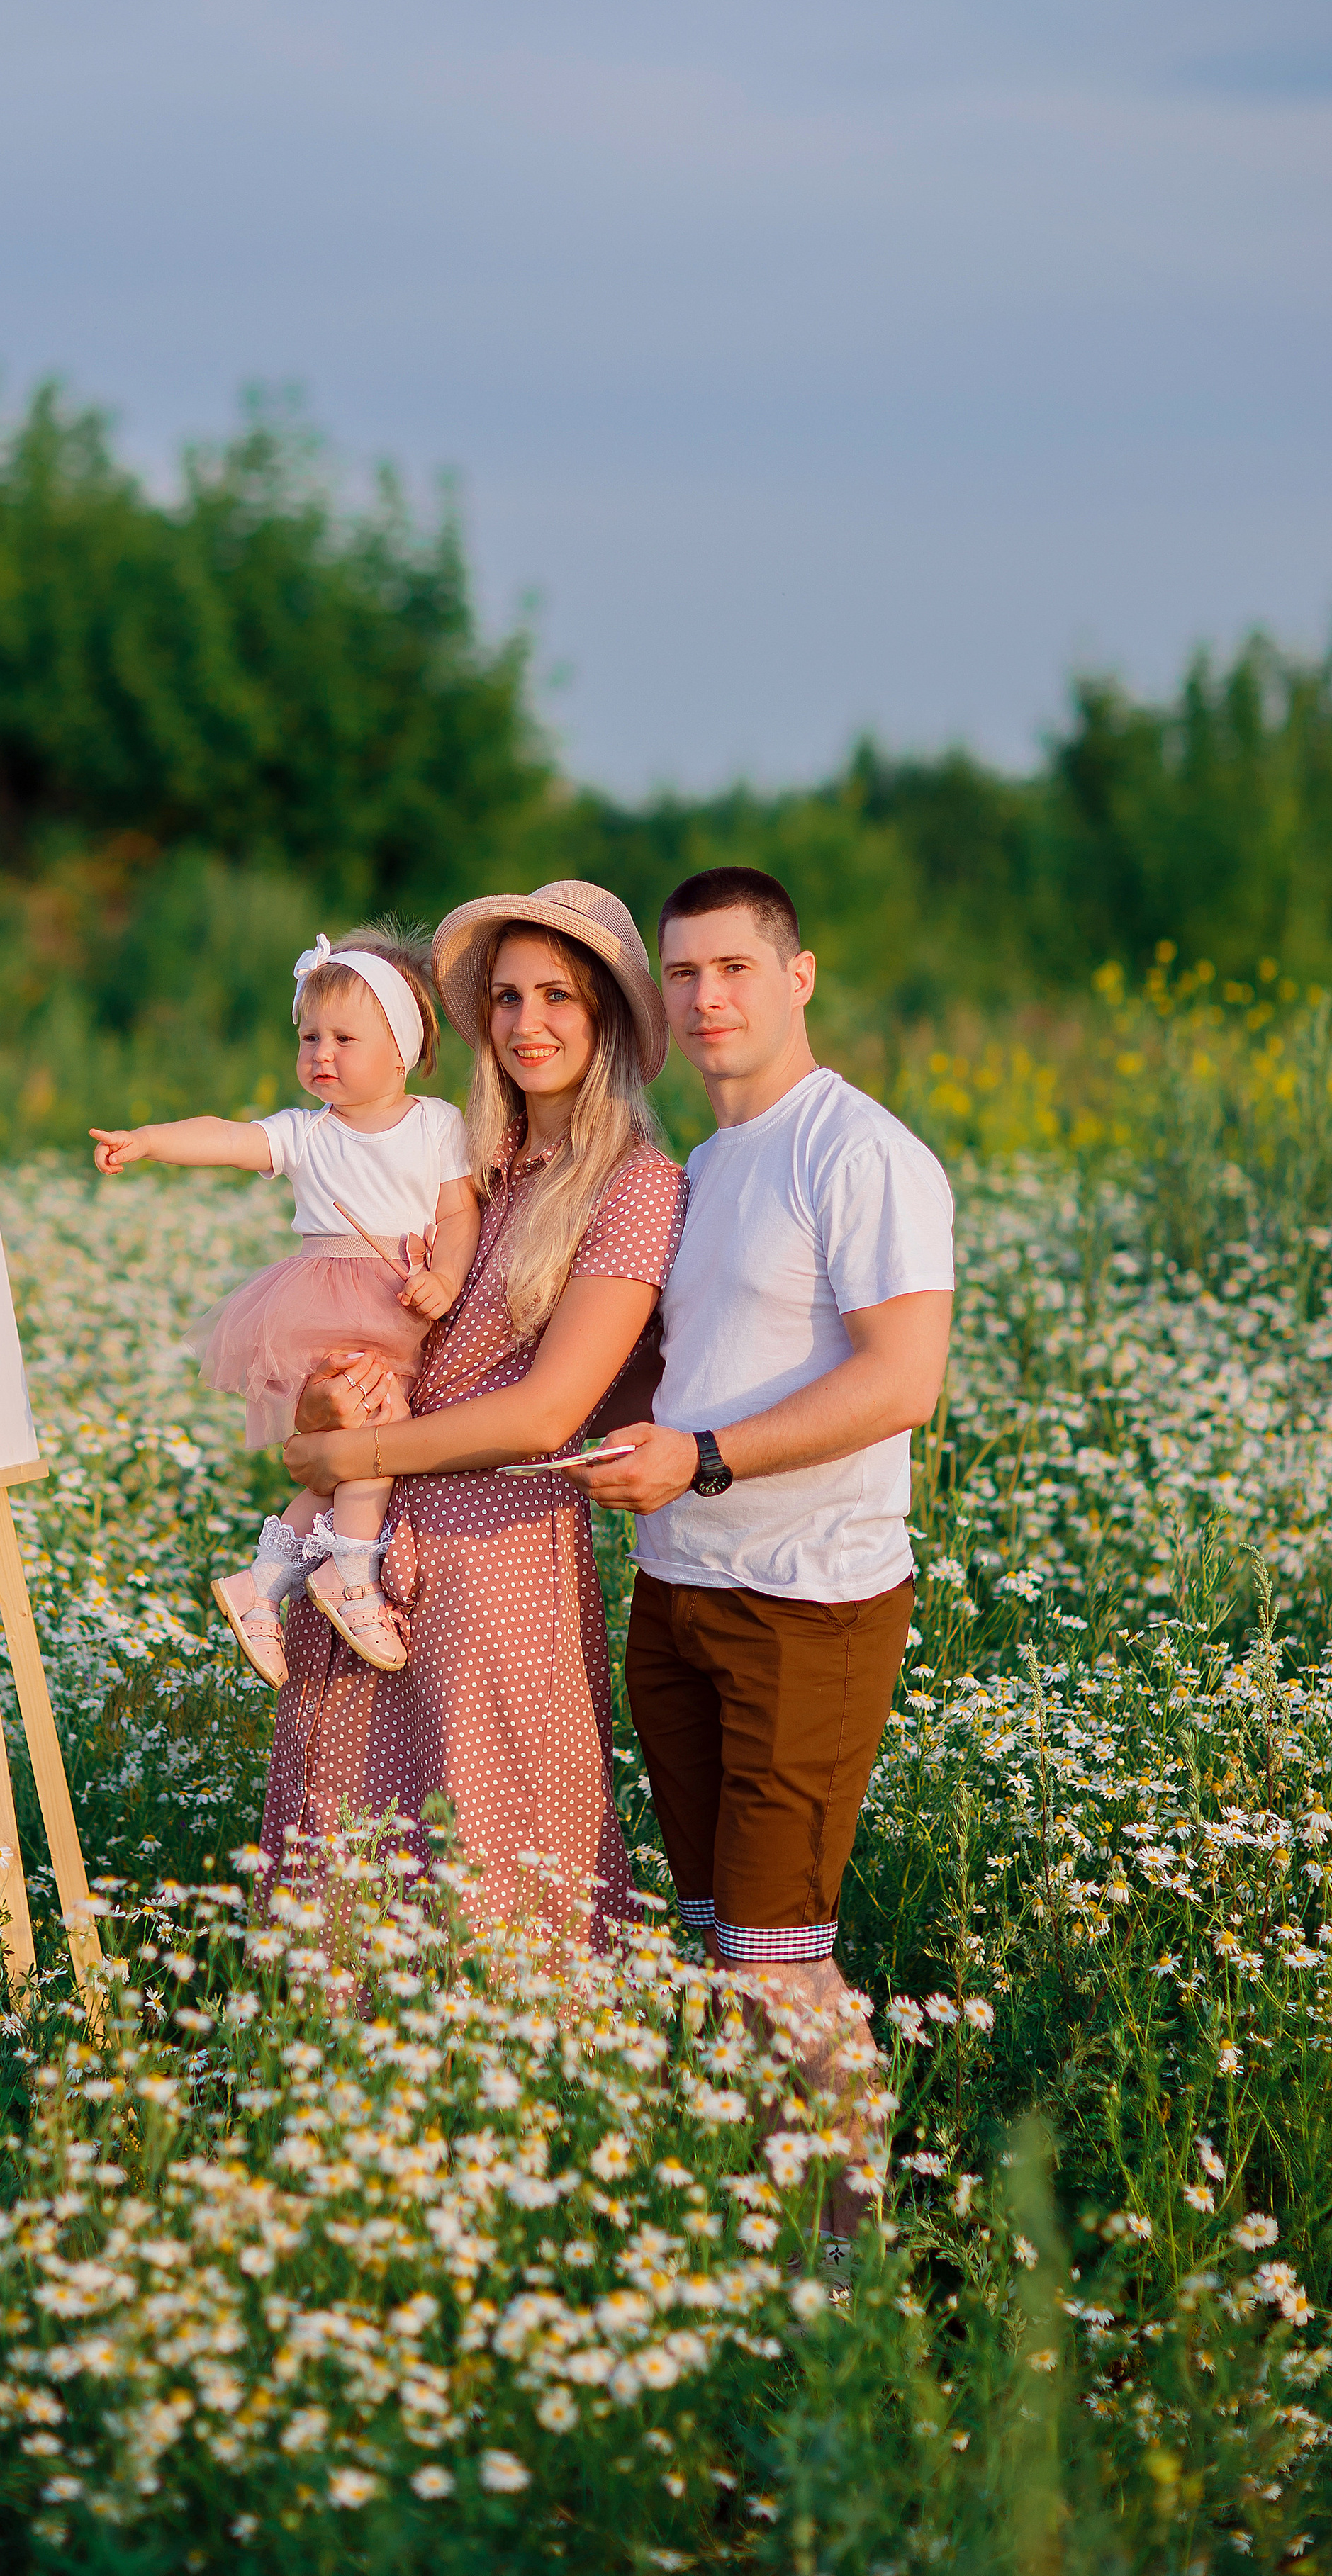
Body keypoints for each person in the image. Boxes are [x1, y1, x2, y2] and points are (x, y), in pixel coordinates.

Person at [577, 865, 954, 2227]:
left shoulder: (859, 1153)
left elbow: (903, 1382)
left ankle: (852, 2256)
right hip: (676, 1591)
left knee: (781, 1958)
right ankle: (771, 2219)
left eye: (734, 967)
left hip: (808, 1602)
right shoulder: (706, 1165)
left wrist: (704, 1458)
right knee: (722, 1947)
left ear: (798, 978)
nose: (706, 997)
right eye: (682, 973)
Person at [272, 881, 687, 1946]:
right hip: (368, 1551)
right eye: (506, 997)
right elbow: (354, 1348)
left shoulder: (634, 1186)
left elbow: (546, 1415)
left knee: (493, 1872)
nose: (525, 1023)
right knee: (349, 1871)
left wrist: (347, 1450)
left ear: (607, 1019)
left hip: (496, 1564)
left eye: (558, 996)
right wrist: (326, 1405)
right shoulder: (455, 1161)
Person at [90, 923, 480, 1684]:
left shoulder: (437, 1123)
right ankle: (350, 1577)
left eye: (344, 1039)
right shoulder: (307, 1134)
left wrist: (448, 1277)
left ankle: (261, 1584)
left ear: (400, 1050)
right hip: (329, 1306)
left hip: (402, 1298)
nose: (320, 1054)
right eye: (309, 1038)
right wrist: (152, 1141)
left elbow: (459, 1213)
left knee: (344, 1463)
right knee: (376, 1433)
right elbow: (227, 1137)